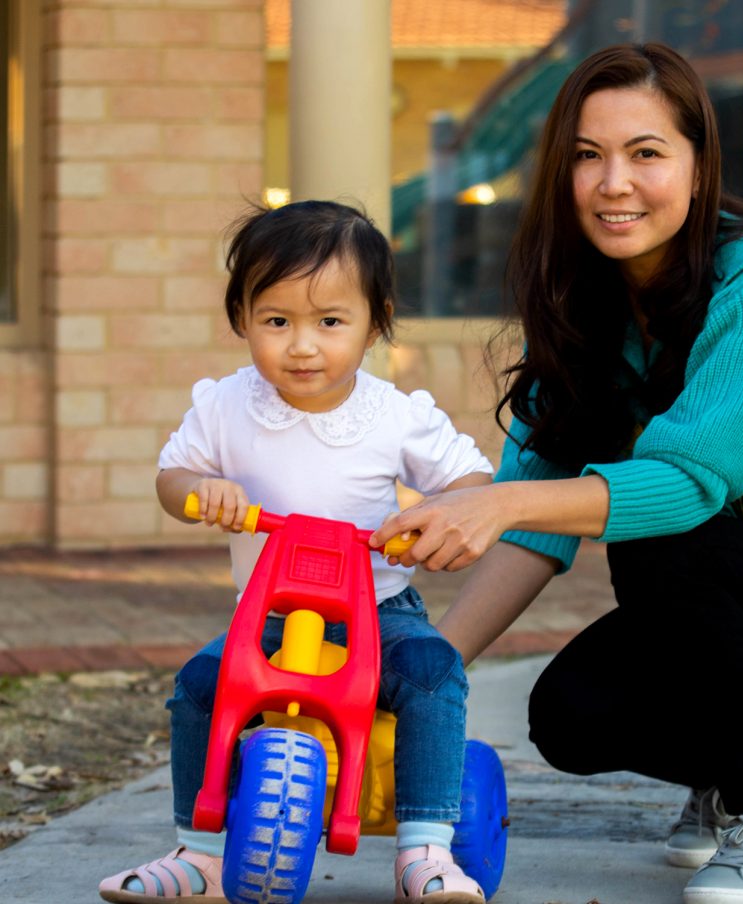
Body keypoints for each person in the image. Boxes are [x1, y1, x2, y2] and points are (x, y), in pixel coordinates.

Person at [371, 43, 743, 904]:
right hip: (728, 587)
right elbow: (529, 530)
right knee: (570, 715)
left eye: (646, 153)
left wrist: (500, 502)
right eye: (588, 155)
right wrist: (423, 675)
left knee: (660, 533)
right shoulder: (583, 302)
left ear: (699, 168)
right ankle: (731, 769)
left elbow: (686, 485)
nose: (614, 184)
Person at [99, 200, 494, 904]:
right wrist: (202, 491)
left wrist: (432, 519)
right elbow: (171, 477)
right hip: (270, 616)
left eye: (330, 322)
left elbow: (470, 480)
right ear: (241, 318)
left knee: (433, 672)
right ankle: (200, 853)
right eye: (277, 321)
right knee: (200, 685)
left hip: (377, 610)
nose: (303, 346)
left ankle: (425, 849)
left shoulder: (394, 415)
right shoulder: (226, 407)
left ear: (376, 322)